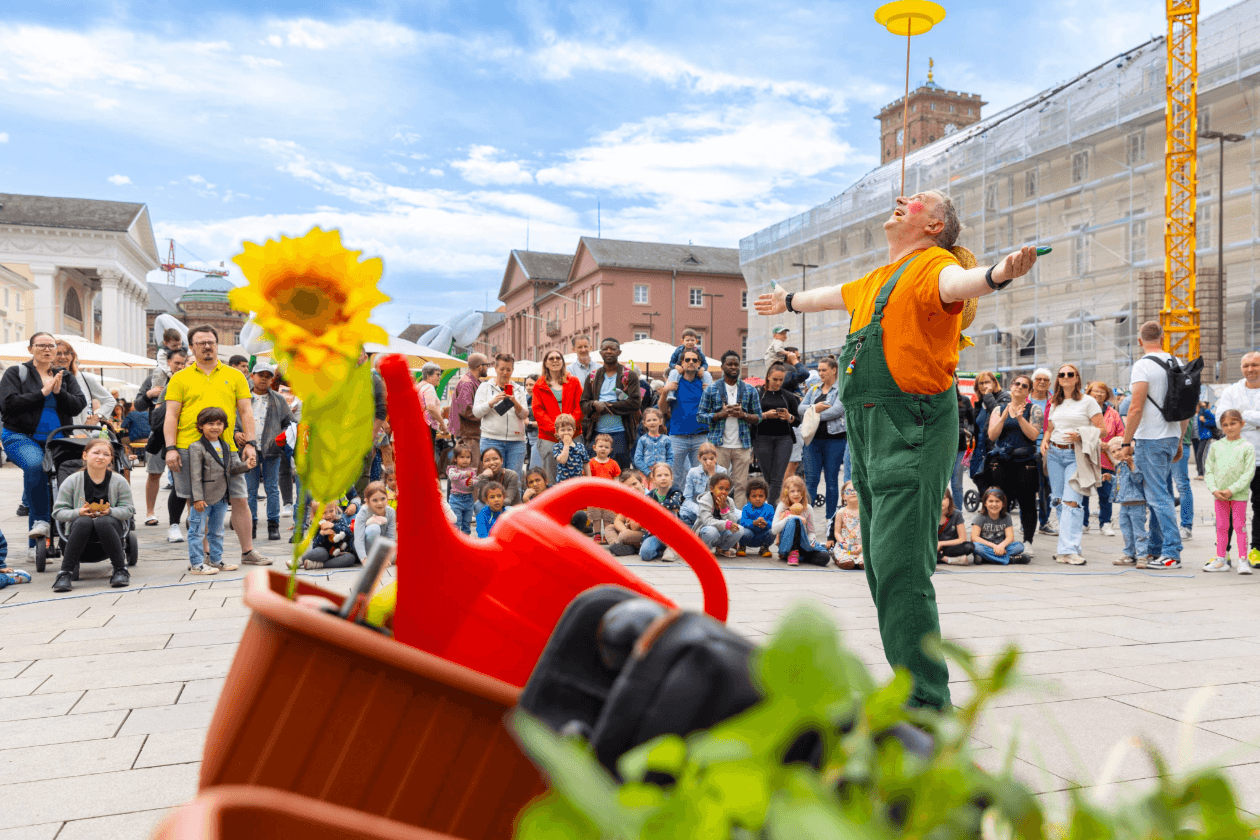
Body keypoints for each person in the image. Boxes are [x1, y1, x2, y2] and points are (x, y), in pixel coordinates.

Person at [755, 189, 1040, 710]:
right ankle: (911, 685)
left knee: (901, 567)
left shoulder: (935, 266)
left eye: (919, 201)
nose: (903, 200)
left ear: (934, 225)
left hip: (909, 424)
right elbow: (827, 295)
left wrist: (999, 273)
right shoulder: (875, 279)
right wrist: (787, 302)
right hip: (869, 429)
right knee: (882, 564)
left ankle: (928, 704)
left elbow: (963, 283)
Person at [162, 325, 269, 567]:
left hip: (227, 448)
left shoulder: (235, 376)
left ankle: (247, 551)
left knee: (240, 498)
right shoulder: (180, 378)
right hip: (190, 448)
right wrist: (170, 449)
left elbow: (245, 411)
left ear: (217, 345)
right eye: (201, 343)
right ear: (191, 347)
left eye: (211, 342)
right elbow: (171, 415)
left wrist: (250, 444)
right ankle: (206, 556)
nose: (207, 346)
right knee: (198, 502)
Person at [0, 332, 88, 554]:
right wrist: (42, 392)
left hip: (58, 440)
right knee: (35, 465)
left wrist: (58, 393)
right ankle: (40, 527)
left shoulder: (64, 376)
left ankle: (67, 535)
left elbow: (78, 405)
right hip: (20, 436)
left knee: (71, 476)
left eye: (51, 346)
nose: (47, 350)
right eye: (41, 345)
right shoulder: (16, 372)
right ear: (31, 349)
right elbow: (8, 405)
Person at [1116, 321, 1188, 570]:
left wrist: (1126, 441)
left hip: (1151, 438)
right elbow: (1185, 407)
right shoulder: (1177, 363)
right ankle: (1158, 549)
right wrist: (1179, 439)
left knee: (1159, 498)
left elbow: (1135, 407)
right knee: (1163, 494)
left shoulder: (1143, 366)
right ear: (1163, 337)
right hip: (1169, 436)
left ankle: (1171, 553)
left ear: (1139, 340)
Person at [49, 437, 134, 592]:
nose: (100, 457)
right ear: (85, 455)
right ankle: (65, 573)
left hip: (109, 530)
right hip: (79, 532)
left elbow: (129, 510)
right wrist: (78, 512)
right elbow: (58, 512)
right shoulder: (72, 480)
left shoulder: (119, 481)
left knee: (103, 521)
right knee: (84, 521)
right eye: (96, 453)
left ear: (111, 459)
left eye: (105, 454)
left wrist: (111, 511)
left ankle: (121, 569)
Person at [1040, 363, 1103, 566]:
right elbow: (1050, 427)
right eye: (1062, 374)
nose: (1066, 377)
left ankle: (1067, 550)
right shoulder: (1055, 402)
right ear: (1058, 379)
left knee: (1072, 502)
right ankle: (1069, 547)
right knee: (1058, 501)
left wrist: (1081, 434)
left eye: (1070, 374)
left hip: (1076, 455)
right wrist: (1045, 439)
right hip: (1055, 455)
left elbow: (1103, 429)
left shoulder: (1088, 401)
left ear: (1077, 378)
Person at [186, 406, 251, 575]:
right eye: (210, 423)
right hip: (203, 498)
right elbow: (195, 475)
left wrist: (245, 466)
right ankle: (197, 564)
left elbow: (228, 470)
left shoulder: (226, 445)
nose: (215, 427)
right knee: (197, 531)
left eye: (219, 423)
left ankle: (216, 560)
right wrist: (197, 498)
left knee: (217, 531)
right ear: (200, 426)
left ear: (224, 426)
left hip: (221, 497)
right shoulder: (196, 447)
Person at [986, 373, 1043, 557]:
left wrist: (1019, 418)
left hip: (1025, 461)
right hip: (1002, 460)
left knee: (1027, 501)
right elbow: (992, 436)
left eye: (1024, 385)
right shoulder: (998, 409)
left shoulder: (1034, 410)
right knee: (1001, 500)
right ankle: (1000, 538)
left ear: (1029, 391)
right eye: (1016, 383)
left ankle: (1027, 540)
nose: (1019, 387)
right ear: (1011, 386)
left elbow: (1033, 435)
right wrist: (1003, 419)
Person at [696, 350, 761, 509]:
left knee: (741, 485)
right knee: (718, 483)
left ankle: (737, 518)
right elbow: (700, 416)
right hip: (719, 445)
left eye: (736, 364)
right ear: (722, 366)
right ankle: (717, 513)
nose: (733, 367)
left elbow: (758, 417)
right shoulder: (711, 390)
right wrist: (720, 415)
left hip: (742, 445)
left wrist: (743, 415)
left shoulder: (749, 390)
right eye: (730, 364)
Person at [237, 361, 292, 542]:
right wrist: (237, 433)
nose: (264, 379)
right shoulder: (242, 398)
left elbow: (289, 422)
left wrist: (281, 436)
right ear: (252, 376)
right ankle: (250, 525)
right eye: (260, 375)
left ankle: (273, 525)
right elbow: (231, 421)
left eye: (268, 376)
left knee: (271, 488)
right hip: (248, 449)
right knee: (250, 489)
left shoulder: (278, 399)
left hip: (271, 450)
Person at [135, 348, 188, 534]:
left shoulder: (191, 378)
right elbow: (138, 406)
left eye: (183, 363)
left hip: (184, 432)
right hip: (158, 432)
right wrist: (149, 394)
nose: (180, 367)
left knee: (186, 474)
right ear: (169, 363)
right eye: (177, 363)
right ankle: (150, 512)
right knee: (154, 473)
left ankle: (190, 516)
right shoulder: (154, 379)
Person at [1215, 352, 1260, 568]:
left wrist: (1241, 416)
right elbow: (1220, 419)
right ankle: (1223, 552)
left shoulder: (1235, 398)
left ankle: (1256, 550)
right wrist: (1254, 418)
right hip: (1233, 460)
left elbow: (1230, 419)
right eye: (1246, 365)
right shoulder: (1231, 391)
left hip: (1259, 460)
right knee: (1228, 505)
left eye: (1255, 365)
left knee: (1259, 506)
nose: (1250, 369)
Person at [1203, 409, 1255, 573]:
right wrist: (1214, 489)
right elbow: (1208, 470)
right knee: (1222, 527)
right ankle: (1221, 559)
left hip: (1238, 495)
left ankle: (1242, 561)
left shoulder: (1247, 447)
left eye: (1233, 423)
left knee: (1240, 526)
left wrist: (1232, 490)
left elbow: (1248, 473)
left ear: (1241, 424)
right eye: (1225, 425)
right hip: (1219, 495)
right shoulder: (1216, 446)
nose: (1229, 428)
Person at [580, 338, 641, 470]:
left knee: (620, 473)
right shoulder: (592, 376)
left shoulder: (629, 376)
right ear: (600, 353)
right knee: (595, 473)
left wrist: (606, 407)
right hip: (596, 433)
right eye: (605, 349)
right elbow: (583, 404)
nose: (608, 351)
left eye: (612, 349)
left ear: (619, 352)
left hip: (620, 434)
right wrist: (595, 404)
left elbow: (635, 403)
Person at [800, 357, 846, 520]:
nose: (820, 373)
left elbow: (837, 411)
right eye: (819, 370)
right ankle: (806, 519)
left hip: (835, 439)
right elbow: (800, 408)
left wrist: (813, 413)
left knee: (831, 481)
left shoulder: (841, 389)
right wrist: (815, 408)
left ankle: (831, 520)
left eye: (824, 370)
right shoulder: (813, 390)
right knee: (811, 481)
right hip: (812, 440)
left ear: (834, 370)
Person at [662, 348, 710, 493]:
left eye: (694, 360)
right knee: (675, 475)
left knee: (701, 476)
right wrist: (665, 391)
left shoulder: (704, 383)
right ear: (681, 363)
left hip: (700, 436)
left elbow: (715, 408)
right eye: (687, 360)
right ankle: (676, 507)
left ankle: (698, 509)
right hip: (677, 436)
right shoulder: (674, 383)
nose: (691, 362)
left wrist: (711, 393)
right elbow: (662, 410)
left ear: (699, 363)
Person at [532, 349, 583, 483]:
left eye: (558, 358)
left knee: (576, 471)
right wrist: (556, 430)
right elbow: (538, 411)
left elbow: (580, 406)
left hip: (574, 433)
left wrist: (569, 428)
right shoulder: (539, 385)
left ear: (562, 362)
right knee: (550, 474)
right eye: (551, 358)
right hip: (549, 436)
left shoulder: (574, 382)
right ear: (546, 364)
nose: (555, 361)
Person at [473, 353, 528, 476]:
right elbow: (476, 412)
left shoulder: (519, 389)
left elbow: (524, 414)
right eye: (502, 369)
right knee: (493, 479)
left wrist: (514, 401)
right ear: (496, 369)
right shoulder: (485, 387)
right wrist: (492, 401)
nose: (505, 372)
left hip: (516, 442)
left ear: (512, 370)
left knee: (515, 479)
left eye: (508, 369)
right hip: (491, 439)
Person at [1081, 381, 1124, 537]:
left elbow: (1121, 433)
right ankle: (1083, 522)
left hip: (1106, 458)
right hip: (1086, 458)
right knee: (1084, 492)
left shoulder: (1113, 413)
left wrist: (1110, 445)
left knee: (1106, 493)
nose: (1098, 394)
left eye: (1102, 392)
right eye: (1095, 391)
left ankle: (1105, 523)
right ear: (1089, 393)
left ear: (1107, 395)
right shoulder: (1083, 409)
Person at [754, 363, 801, 503]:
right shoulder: (758, 395)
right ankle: (773, 504)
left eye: (781, 380)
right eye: (775, 379)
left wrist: (788, 417)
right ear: (768, 377)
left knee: (777, 477)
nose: (778, 383)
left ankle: (772, 510)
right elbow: (750, 416)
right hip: (762, 438)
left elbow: (798, 421)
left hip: (784, 439)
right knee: (768, 476)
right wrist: (765, 415)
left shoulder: (788, 396)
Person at [54, 341, 115, 428]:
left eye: (67, 353)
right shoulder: (45, 378)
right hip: (54, 433)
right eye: (58, 353)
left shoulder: (85, 378)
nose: (63, 357)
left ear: (72, 356)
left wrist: (95, 418)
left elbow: (110, 400)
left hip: (81, 433)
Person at [1106, 438, 1147, 566]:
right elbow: (1121, 483)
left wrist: (1132, 465)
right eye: (1113, 452)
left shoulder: (1134, 461)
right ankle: (1129, 554)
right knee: (1126, 531)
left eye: (1119, 449)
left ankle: (1142, 556)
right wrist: (1111, 478)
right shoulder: (1119, 465)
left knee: (1139, 531)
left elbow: (1138, 479)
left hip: (1136, 503)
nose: (1117, 453)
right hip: (1124, 504)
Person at [771, 475, 828, 567]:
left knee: (825, 557)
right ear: (787, 493)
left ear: (803, 492)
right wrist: (791, 516)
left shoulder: (808, 508)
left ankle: (800, 556)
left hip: (804, 544)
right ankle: (792, 552)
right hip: (787, 544)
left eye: (799, 491)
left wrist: (812, 541)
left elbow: (811, 531)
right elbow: (774, 529)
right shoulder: (782, 506)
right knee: (795, 520)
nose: (796, 494)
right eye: (792, 491)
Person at [1028, 367, 1056, 535]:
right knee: (1028, 489)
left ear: (1050, 383)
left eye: (1045, 380)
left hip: (1048, 450)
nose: (1042, 382)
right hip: (1028, 449)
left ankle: (1044, 522)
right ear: (1033, 382)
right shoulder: (1026, 399)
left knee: (1047, 489)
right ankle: (1027, 523)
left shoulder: (1054, 401)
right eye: (1039, 379)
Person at [449, 352, 488, 470]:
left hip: (471, 434)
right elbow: (465, 409)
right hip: (469, 435)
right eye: (487, 364)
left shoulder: (471, 381)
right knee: (470, 470)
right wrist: (486, 417)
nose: (488, 367)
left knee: (469, 470)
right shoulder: (467, 383)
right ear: (480, 367)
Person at [971, 487, 1028, 565]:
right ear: (985, 503)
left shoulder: (1006, 516)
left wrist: (1001, 546)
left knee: (1020, 546)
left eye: (997, 501)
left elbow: (1010, 537)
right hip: (986, 546)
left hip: (1002, 547)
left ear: (1003, 504)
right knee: (975, 546)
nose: (994, 504)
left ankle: (986, 558)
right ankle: (1010, 559)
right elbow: (974, 537)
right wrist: (994, 546)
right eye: (990, 501)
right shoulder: (980, 517)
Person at [640, 463, 684, 562]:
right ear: (654, 479)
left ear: (671, 477)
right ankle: (662, 550)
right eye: (659, 475)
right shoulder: (649, 496)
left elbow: (675, 503)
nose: (663, 478)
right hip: (655, 533)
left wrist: (655, 508)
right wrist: (665, 506)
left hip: (672, 534)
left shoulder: (676, 492)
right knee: (645, 554)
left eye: (666, 475)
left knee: (669, 513)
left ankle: (672, 548)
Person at [693, 472, 744, 557]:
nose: (723, 492)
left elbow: (733, 521)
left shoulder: (729, 501)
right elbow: (707, 521)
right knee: (711, 531)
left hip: (721, 532)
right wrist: (726, 524)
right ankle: (704, 549)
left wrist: (724, 509)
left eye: (727, 489)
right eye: (720, 488)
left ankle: (723, 548)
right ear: (712, 489)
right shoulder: (705, 501)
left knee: (739, 529)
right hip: (706, 532)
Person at [680, 442, 725, 527]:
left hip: (715, 508)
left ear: (716, 457)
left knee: (738, 515)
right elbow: (686, 498)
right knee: (681, 513)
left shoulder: (722, 471)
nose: (708, 462)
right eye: (705, 459)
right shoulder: (693, 472)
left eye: (712, 459)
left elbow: (718, 495)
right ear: (699, 458)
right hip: (697, 508)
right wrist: (699, 510)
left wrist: (712, 474)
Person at [301, 500, 355, 569]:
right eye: (324, 513)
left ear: (335, 509)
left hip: (338, 553)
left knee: (350, 558)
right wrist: (321, 534)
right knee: (321, 552)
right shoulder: (317, 525)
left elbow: (349, 532)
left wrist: (333, 526)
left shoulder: (339, 520)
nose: (328, 515)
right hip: (324, 553)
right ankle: (300, 561)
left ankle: (319, 565)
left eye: (331, 511)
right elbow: (315, 546)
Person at [354, 481, 397, 560]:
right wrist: (364, 559)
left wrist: (388, 557)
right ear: (367, 501)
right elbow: (358, 540)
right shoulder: (363, 512)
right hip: (367, 550)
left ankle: (381, 559)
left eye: (383, 499)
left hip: (382, 548)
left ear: (387, 497)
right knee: (374, 528)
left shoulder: (390, 512)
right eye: (375, 500)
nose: (380, 503)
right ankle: (374, 559)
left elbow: (391, 537)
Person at [829, 481, 864, 570]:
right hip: (846, 545)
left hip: (860, 545)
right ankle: (845, 561)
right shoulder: (841, 512)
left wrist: (863, 545)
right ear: (843, 496)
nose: (852, 493)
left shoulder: (864, 512)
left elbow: (869, 531)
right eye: (848, 491)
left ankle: (861, 563)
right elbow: (837, 532)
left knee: (864, 559)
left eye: (855, 490)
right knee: (846, 557)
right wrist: (844, 544)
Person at [738, 476, 776, 557]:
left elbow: (773, 523)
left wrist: (766, 524)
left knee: (773, 532)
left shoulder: (770, 508)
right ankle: (742, 546)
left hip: (762, 536)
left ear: (766, 497)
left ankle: (764, 548)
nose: (758, 498)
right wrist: (753, 523)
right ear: (749, 498)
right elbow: (743, 522)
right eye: (754, 496)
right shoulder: (746, 508)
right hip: (749, 536)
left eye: (761, 496)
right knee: (744, 532)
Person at [416, 362, 448, 450]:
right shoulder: (429, 387)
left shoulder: (418, 386)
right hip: (427, 427)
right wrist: (443, 424)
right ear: (428, 376)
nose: (439, 377)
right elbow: (431, 408)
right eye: (437, 374)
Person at [446, 445, 477, 534]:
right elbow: (452, 477)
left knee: (467, 522)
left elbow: (475, 481)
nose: (465, 459)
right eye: (462, 457)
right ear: (455, 458)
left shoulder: (472, 470)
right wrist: (464, 474)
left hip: (469, 499)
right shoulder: (452, 469)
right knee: (456, 521)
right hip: (456, 499)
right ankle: (455, 539)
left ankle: (466, 539)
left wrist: (473, 482)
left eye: (468, 457)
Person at [633, 407, 672, 476]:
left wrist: (665, 470)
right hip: (647, 474)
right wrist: (648, 472)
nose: (652, 422)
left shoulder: (666, 439)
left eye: (654, 420)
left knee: (661, 487)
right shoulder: (642, 440)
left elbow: (670, 457)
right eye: (648, 420)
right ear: (644, 423)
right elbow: (638, 459)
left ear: (660, 421)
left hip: (662, 474)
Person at [552, 413, 591, 482]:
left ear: (574, 431)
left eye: (569, 430)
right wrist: (566, 445)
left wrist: (589, 479)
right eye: (562, 430)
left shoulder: (580, 446)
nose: (566, 432)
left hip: (578, 482)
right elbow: (562, 460)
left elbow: (586, 463)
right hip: (563, 483)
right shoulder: (556, 447)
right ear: (557, 432)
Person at [937, 492, 973, 565]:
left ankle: (937, 557)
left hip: (950, 547)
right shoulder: (929, 515)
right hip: (933, 547)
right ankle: (947, 559)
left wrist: (941, 543)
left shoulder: (957, 514)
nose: (940, 502)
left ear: (949, 500)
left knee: (969, 546)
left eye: (943, 498)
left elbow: (962, 539)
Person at [1195, 401, 1217, 479]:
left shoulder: (1205, 411)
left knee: (1201, 455)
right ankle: (1200, 473)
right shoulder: (1195, 413)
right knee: (1198, 456)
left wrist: (1205, 421)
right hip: (1198, 437)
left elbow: (1215, 421)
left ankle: (1202, 474)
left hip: (1205, 436)